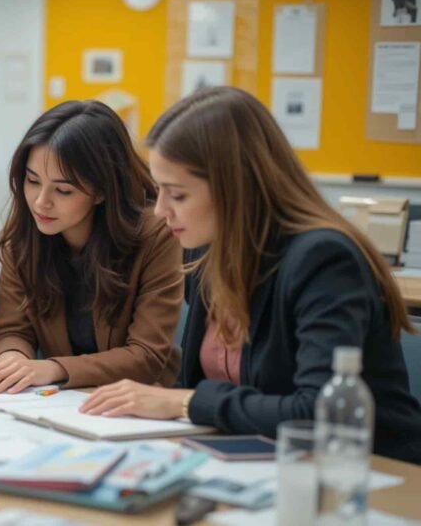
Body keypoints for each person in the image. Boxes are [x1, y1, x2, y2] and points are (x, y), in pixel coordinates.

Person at [80, 87, 421, 464]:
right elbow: (200, 386)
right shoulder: (206, 250)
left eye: (177, 195)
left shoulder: (324, 259)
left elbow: (319, 413)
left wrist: (184, 402)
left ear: (235, 189)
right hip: (253, 458)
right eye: (159, 190)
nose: (160, 211)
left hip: (368, 471)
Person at [0, 101, 182, 394]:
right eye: (32, 181)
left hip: (140, 401)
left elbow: (147, 356)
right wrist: (13, 361)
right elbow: (13, 330)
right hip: (63, 402)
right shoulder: (23, 236)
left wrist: (53, 368)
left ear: (102, 189)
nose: (40, 201)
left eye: (63, 190)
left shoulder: (156, 234)